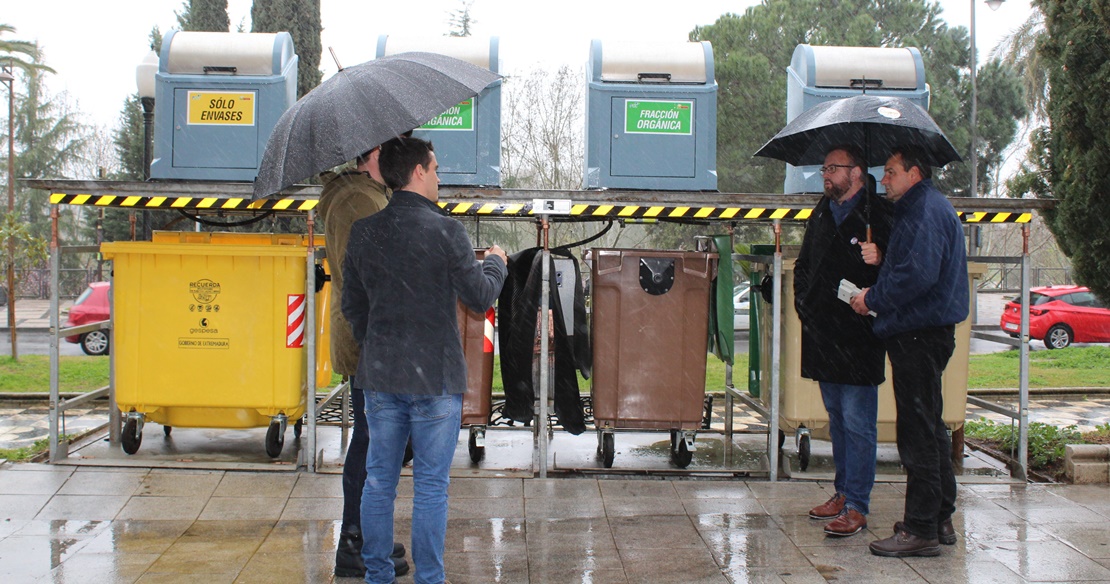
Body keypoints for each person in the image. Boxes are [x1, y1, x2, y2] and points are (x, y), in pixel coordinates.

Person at [342, 135, 507, 584]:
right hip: (434, 380)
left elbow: (352, 307)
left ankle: (378, 576)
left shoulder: (364, 232)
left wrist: (377, 342)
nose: (438, 177)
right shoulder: (446, 231)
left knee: (379, 482)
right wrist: (496, 263)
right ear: (417, 171)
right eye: (435, 169)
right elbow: (479, 295)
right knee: (431, 487)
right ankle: (429, 578)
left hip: (380, 376)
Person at [850, 145, 969, 558]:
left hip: (918, 333)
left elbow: (917, 276)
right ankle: (939, 516)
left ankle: (920, 529)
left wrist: (873, 297)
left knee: (917, 433)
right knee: (931, 428)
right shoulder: (927, 208)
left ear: (914, 174)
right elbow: (915, 267)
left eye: (891, 171)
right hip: (926, 331)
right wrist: (885, 258)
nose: (884, 179)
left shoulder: (923, 212)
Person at [318, 146, 410, 578]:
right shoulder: (358, 200)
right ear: (374, 151)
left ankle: (366, 534)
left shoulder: (367, 194)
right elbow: (368, 271)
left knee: (378, 438)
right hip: (368, 334)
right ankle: (354, 540)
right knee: (373, 441)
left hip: (370, 332)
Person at [793, 145, 892, 538]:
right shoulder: (821, 211)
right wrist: (803, 302)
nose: (826, 174)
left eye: (833, 168)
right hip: (823, 332)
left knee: (858, 422)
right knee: (837, 420)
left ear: (856, 172)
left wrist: (880, 257)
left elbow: (904, 267)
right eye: (825, 168)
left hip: (859, 335)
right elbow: (805, 263)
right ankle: (841, 491)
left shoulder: (878, 214)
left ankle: (857, 505)